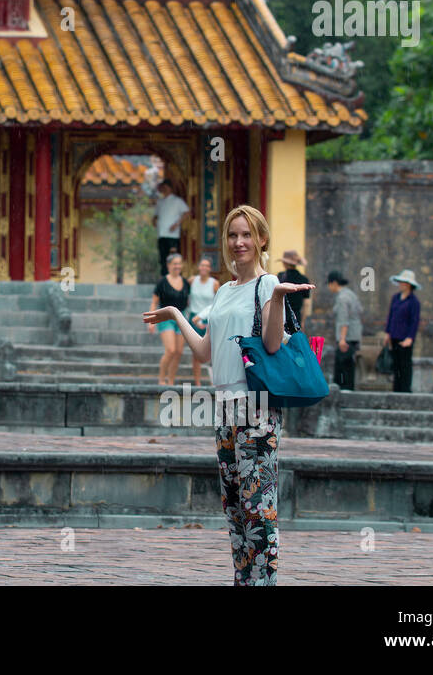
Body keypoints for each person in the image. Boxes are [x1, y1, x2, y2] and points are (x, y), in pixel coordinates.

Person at [143, 205, 313, 586]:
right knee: (235, 507)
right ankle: (243, 579)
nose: (239, 242)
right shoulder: (223, 292)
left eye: (247, 234)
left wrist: (279, 299)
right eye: (233, 235)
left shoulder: (268, 285)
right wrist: (175, 314)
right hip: (223, 409)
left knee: (258, 507)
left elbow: (270, 345)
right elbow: (205, 353)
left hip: (257, 407)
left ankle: (262, 582)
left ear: (262, 239)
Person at [149, 253, 191, 386]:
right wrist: (151, 320)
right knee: (171, 350)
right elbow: (154, 302)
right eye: (175, 263)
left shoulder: (185, 282)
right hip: (165, 317)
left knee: (179, 352)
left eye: (179, 263)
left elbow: (189, 300)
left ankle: (171, 380)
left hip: (181, 318)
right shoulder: (162, 282)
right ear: (168, 265)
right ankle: (161, 379)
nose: (177, 266)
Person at [380, 269, 421, 393]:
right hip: (394, 336)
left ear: (408, 284)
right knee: (396, 364)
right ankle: (396, 389)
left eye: (403, 282)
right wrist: (387, 333)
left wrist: (410, 337)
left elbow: (414, 321)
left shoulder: (414, 302)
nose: (400, 284)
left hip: (405, 338)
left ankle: (405, 389)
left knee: (405, 365)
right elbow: (391, 316)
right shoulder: (395, 298)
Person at [327, 271, 362, 390]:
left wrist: (342, 339)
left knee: (343, 370)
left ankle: (344, 394)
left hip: (346, 338)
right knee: (349, 368)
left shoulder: (342, 298)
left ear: (334, 283)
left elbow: (344, 320)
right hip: (353, 336)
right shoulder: (351, 294)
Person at [186, 256, 219, 386]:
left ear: (210, 269)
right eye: (202, 265)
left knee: (212, 350)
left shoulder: (214, 283)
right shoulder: (192, 280)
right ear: (198, 267)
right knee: (196, 351)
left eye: (207, 266)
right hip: (193, 318)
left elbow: (219, 302)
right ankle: (197, 381)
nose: (204, 268)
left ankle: (214, 381)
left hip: (208, 318)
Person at [152, 181, 190, 276]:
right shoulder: (160, 202)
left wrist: (177, 224)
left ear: (170, 188)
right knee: (163, 258)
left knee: (173, 257)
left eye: (166, 187)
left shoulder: (177, 201)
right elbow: (155, 215)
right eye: (162, 188)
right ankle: (165, 278)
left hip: (172, 235)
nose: (164, 190)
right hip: (161, 234)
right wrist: (154, 221)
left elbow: (187, 213)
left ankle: (176, 277)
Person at [277, 250, 312, 330]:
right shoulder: (303, 279)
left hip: (281, 316)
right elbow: (306, 303)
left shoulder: (280, 277)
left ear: (285, 263)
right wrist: (303, 321)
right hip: (296, 316)